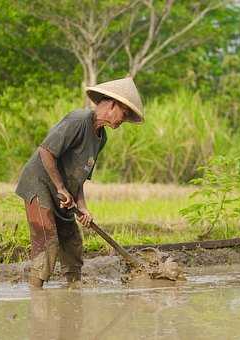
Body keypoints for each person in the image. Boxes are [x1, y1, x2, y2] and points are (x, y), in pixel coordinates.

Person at [15, 77, 144, 289]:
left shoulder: (101, 138)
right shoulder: (79, 120)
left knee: (73, 243)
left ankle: (74, 291)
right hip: (39, 184)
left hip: (64, 193)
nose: (124, 120)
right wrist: (60, 187)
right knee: (47, 241)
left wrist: (83, 207)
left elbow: (80, 178)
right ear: (112, 104)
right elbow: (45, 151)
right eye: (124, 113)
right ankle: (36, 295)